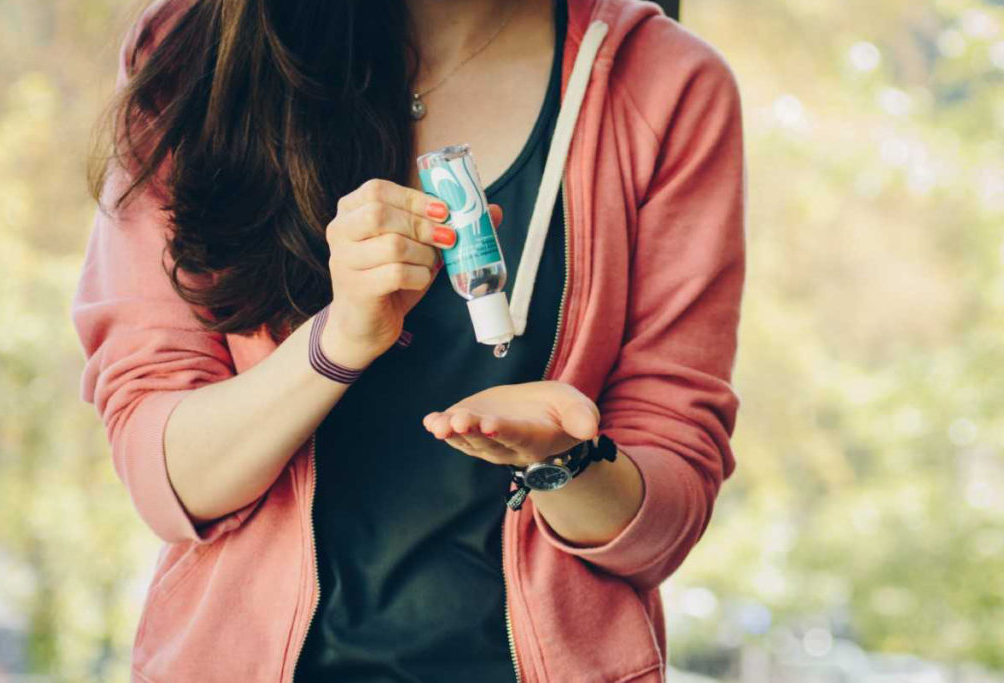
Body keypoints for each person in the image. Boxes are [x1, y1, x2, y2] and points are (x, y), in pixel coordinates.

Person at [72, 0, 745, 680]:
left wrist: (564, 461)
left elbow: (663, 519)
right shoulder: (197, 52)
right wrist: (336, 342)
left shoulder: (665, 82)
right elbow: (168, 477)